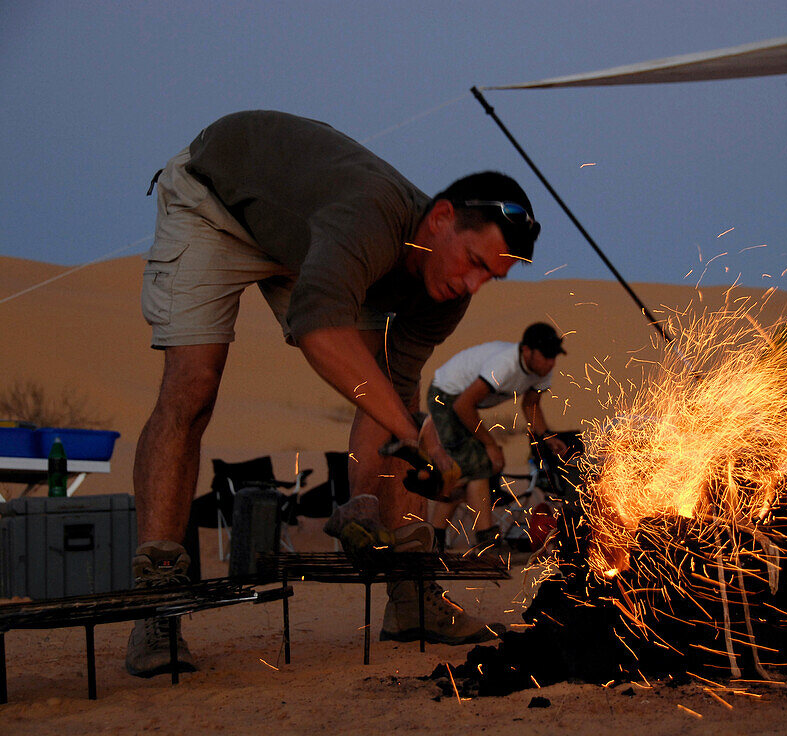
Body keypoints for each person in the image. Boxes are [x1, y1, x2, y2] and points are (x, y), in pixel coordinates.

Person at [128, 110, 540, 677]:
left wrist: (362, 501)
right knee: (193, 386)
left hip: (312, 240)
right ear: (441, 219)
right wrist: (413, 437)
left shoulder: (444, 288)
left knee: (385, 389)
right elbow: (319, 329)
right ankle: (158, 607)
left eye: (490, 276)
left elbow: (390, 390)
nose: (472, 285)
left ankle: (409, 595)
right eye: (473, 263)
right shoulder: (371, 217)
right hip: (216, 205)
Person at [426, 323, 568, 554]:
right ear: (526, 351)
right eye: (545, 355)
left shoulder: (542, 370)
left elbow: (531, 405)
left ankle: (435, 537)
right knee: (479, 463)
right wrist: (490, 445)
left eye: (553, 356)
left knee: (464, 471)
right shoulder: (504, 365)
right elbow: (463, 405)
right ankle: (486, 542)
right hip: (447, 395)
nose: (550, 362)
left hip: (464, 403)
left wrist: (546, 437)